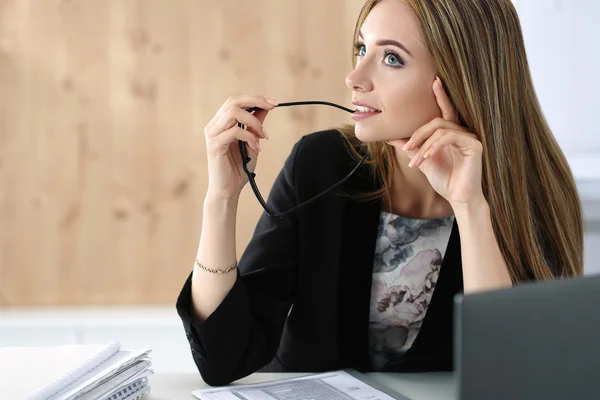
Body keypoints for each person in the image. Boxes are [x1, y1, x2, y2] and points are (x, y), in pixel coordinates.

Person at [176, 0, 584, 387]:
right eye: (361, 48)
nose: (355, 78)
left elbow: (509, 378)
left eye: (391, 58)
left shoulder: (533, 190)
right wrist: (222, 198)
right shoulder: (320, 165)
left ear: (461, 78)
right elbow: (222, 359)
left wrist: (470, 207)